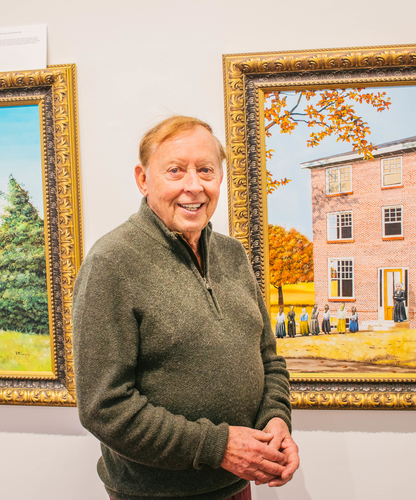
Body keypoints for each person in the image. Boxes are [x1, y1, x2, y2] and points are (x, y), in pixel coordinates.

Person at [73, 116, 298, 500]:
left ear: (220, 178)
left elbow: (268, 357)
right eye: (175, 171)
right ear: (143, 180)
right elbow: (104, 407)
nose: (193, 186)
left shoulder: (233, 254)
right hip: (155, 496)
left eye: (205, 170)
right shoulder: (111, 263)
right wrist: (219, 447)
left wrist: (276, 418)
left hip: (237, 484)